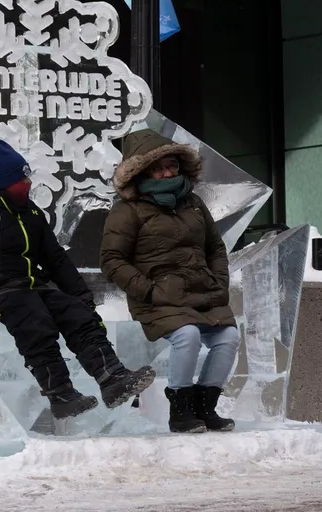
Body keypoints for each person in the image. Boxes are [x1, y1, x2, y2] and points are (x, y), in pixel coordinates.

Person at [0, 127, 155, 420]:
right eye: (21, 179)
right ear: (1, 184)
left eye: (27, 176)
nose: (27, 183)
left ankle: (113, 379)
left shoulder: (31, 212)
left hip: (34, 284)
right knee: (36, 323)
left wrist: (82, 296)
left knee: (77, 314)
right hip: (1, 291)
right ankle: (61, 395)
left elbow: (55, 258)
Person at [100, 129, 240, 434]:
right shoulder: (128, 210)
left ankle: (206, 407)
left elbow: (215, 248)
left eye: (172, 166)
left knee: (228, 338)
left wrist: (219, 282)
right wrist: (149, 290)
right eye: (159, 167)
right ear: (141, 171)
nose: (167, 173)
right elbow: (111, 260)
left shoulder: (194, 203)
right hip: (158, 299)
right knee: (187, 335)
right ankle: (180, 410)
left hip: (203, 292)